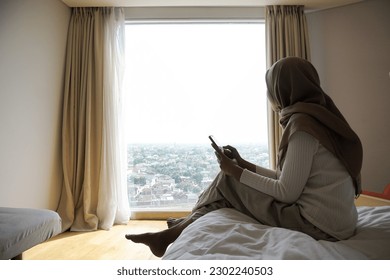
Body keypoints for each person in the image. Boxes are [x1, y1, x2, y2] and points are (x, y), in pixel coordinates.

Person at [125, 56, 363, 258]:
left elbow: (287, 192)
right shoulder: (322, 119)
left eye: (270, 88)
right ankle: (175, 230)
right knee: (229, 182)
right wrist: (243, 164)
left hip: (319, 227)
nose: (268, 95)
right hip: (340, 222)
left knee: (227, 181)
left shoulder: (302, 127)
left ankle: (173, 232)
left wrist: (235, 171)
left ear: (283, 89)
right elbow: (291, 180)